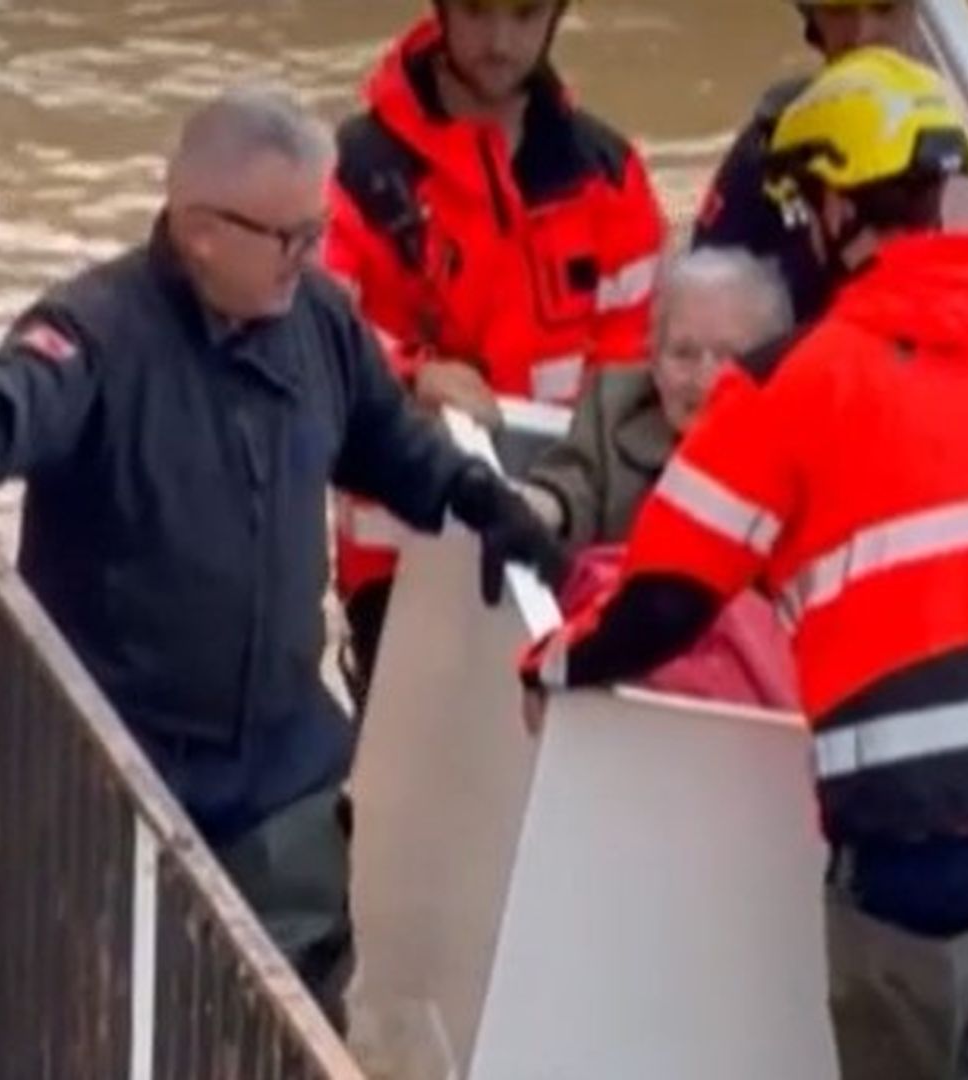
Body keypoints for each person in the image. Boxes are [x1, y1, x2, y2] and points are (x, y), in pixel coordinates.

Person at [519, 47, 968, 1080]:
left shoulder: (791, 384)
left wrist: (553, 662)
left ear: (830, 207)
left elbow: (667, 598)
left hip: (915, 821)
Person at [0, 85, 567, 1031]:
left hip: (281, 770)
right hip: (118, 769)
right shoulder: (99, 330)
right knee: (98, 1015)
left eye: (316, 231)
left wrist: (479, 500)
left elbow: (384, 443)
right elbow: (16, 393)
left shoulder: (319, 321)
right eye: (287, 237)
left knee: (289, 1016)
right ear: (201, 230)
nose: (310, 256)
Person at [324, 0, 667, 710]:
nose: (500, 41)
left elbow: (636, 378)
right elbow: (313, 332)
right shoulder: (354, 170)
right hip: (402, 563)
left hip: (566, 555)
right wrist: (413, 376)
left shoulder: (610, 176)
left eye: (524, 14)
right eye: (478, 13)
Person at [517, 246, 794, 549]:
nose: (703, 380)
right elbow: (572, 484)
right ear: (654, 358)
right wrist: (537, 509)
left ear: (771, 368)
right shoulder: (615, 402)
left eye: (729, 358)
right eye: (683, 353)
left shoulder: (796, 452)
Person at [691, 0, 917, 324]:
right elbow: (702, 303)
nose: (862, 34)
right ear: (815, 21)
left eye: (884, 9)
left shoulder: (967, 133)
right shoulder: (770, 146)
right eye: (840, 12)